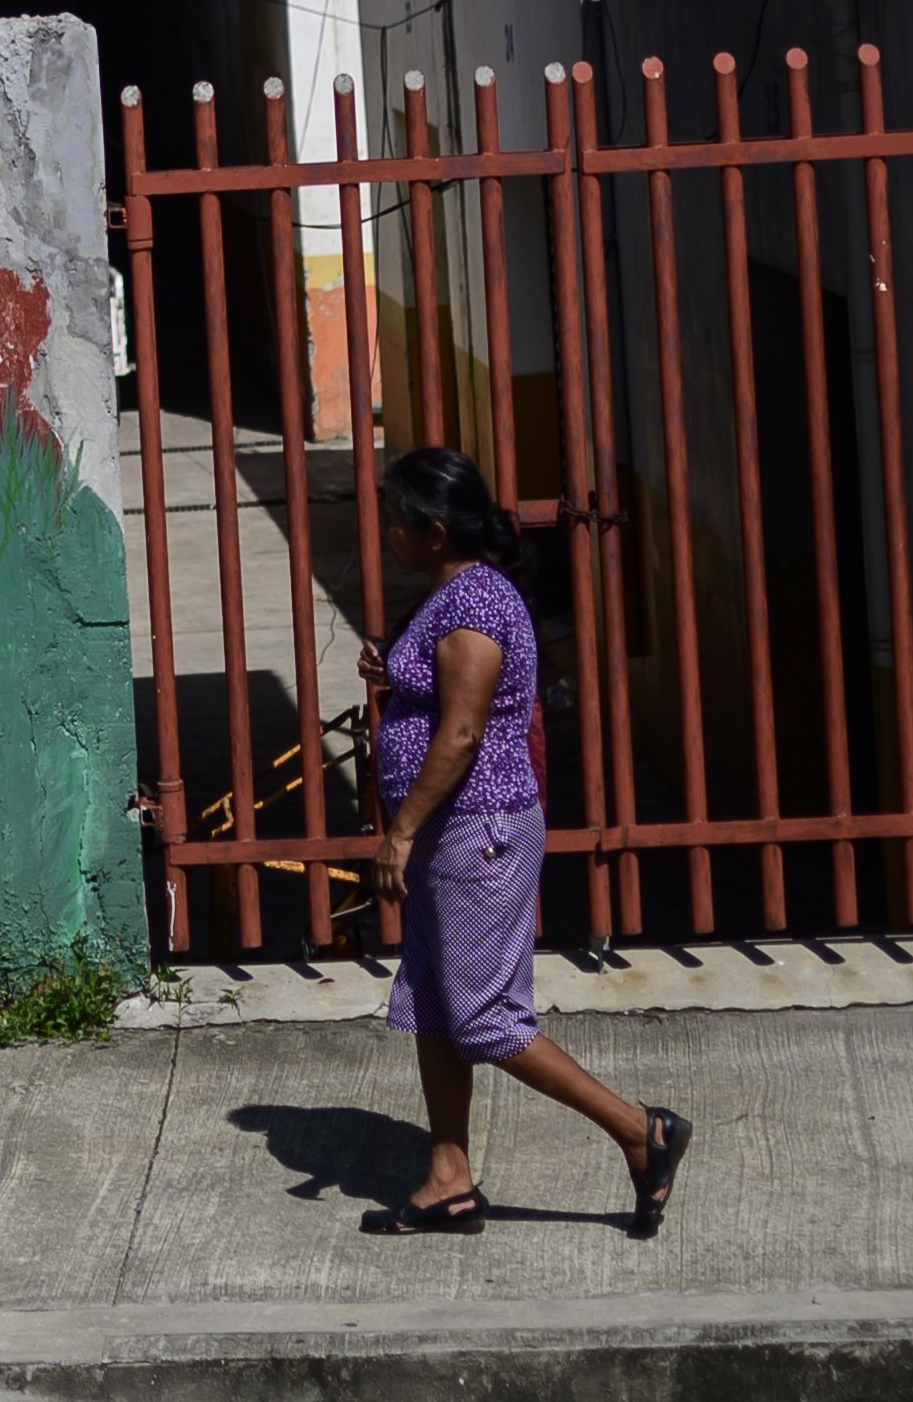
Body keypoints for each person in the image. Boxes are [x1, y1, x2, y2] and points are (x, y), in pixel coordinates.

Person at [356, 446, 689, 1237]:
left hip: (479, 834)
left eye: (398, 524)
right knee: (435, 1007)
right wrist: (395, 673)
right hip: (452, 835)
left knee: (486, 1021)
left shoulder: (474, 606)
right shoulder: (455, 595)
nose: (389, 536)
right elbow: (442, 694)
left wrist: (399, 833)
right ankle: (449, 1180)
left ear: (434, 531)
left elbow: (464, 730)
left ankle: (642, 1132)